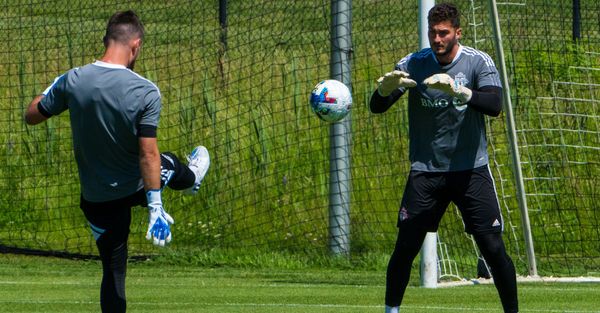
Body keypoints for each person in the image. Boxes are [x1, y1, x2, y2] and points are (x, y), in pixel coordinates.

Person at [24, 10, 210, 313]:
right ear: (135, 45)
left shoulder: (72, 80)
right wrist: (155, 206)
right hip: (138, 184)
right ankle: (192, 178)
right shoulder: (145, 90)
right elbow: (147, 153)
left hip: (97, 198)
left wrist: (53, 87)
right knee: (169, 163)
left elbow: (31, 116)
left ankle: (188, 177)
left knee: (113, 271)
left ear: (106, 40)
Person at [369, 3, 518, 313]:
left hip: (471, 171)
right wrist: (384, 91)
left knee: (492, 247)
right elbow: (377, 107)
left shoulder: (478, 62)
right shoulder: (415, 63)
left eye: (443, 33)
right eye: (432, 33)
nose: (437, 39)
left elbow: (494, 104)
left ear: (457, 33)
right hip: (426, 172)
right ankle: (390, 311)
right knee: (405, 247)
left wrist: (460, 92)